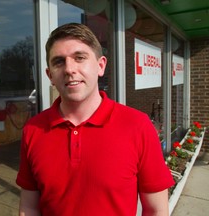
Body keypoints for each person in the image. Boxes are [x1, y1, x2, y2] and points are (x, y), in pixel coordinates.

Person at [16, 23, 174, 216]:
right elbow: (29, 207)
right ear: (50, 75)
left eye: (79, 58)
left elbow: (156, 210)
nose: (69, 69)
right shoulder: (34, 129)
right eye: (59, 61)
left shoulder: (137, 125)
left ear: (100, 66)